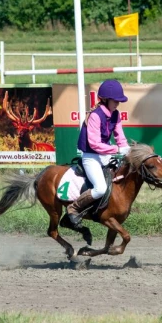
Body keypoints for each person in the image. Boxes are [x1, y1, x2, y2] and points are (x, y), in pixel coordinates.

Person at [66, 79, 131, 227]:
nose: (118, 104)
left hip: (106, 154)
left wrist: (125, 148)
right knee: (100, 188)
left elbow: (120, 136)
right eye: (115, 101)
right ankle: (73, 208)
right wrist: (117, 149)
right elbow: (95, 144)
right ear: (106, 99)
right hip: (91, 156)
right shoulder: (95, 116)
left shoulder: (116, 114)